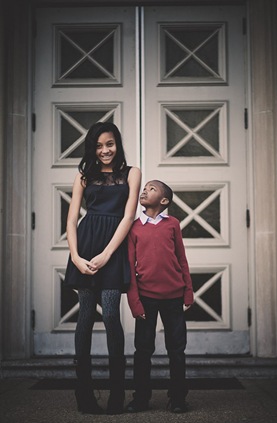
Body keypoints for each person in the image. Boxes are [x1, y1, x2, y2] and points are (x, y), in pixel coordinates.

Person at [63, 122, 141, 415]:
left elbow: (129, 215)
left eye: (109, 144)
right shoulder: (84, 175)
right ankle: (83, 394)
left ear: (117, 144)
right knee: (85, 315)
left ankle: (117, 394)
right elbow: (71, 220)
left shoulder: (132, 173)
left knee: (109, 314)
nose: (105, 150)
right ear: (91, 148)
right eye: (98, 145)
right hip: (84, 246)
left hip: (113, 248)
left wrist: (108, 253)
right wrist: (75, 256)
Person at [126, 180, 194, 413]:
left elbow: (182, 259)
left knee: (176, 349)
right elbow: (129, 266)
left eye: (151, 189)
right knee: (143, 350)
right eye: (144, 187)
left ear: (164, 201)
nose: (144, 190)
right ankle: (141, 398)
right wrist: (134, 301)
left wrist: (188, 290)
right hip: (146, 297)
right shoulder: (134, 227)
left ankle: (177, 398)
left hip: (174, 297)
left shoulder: (172, 224)